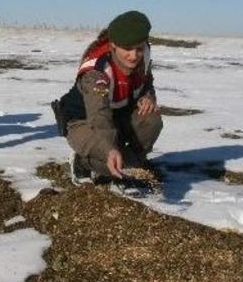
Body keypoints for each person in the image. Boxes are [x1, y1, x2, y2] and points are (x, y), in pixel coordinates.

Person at [55, 11, 163, 183]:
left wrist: (149, 97)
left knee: (151, 120)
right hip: (84, 122)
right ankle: (81, 163)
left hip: (118, 117)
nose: (134, 56)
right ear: (113, 45)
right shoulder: (96, 73)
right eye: (127, 49)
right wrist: (109, 150)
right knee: (111, 159)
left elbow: (146, 83)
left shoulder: (144, 55)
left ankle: (131, 162)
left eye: (139, 48)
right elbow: (99, 115)